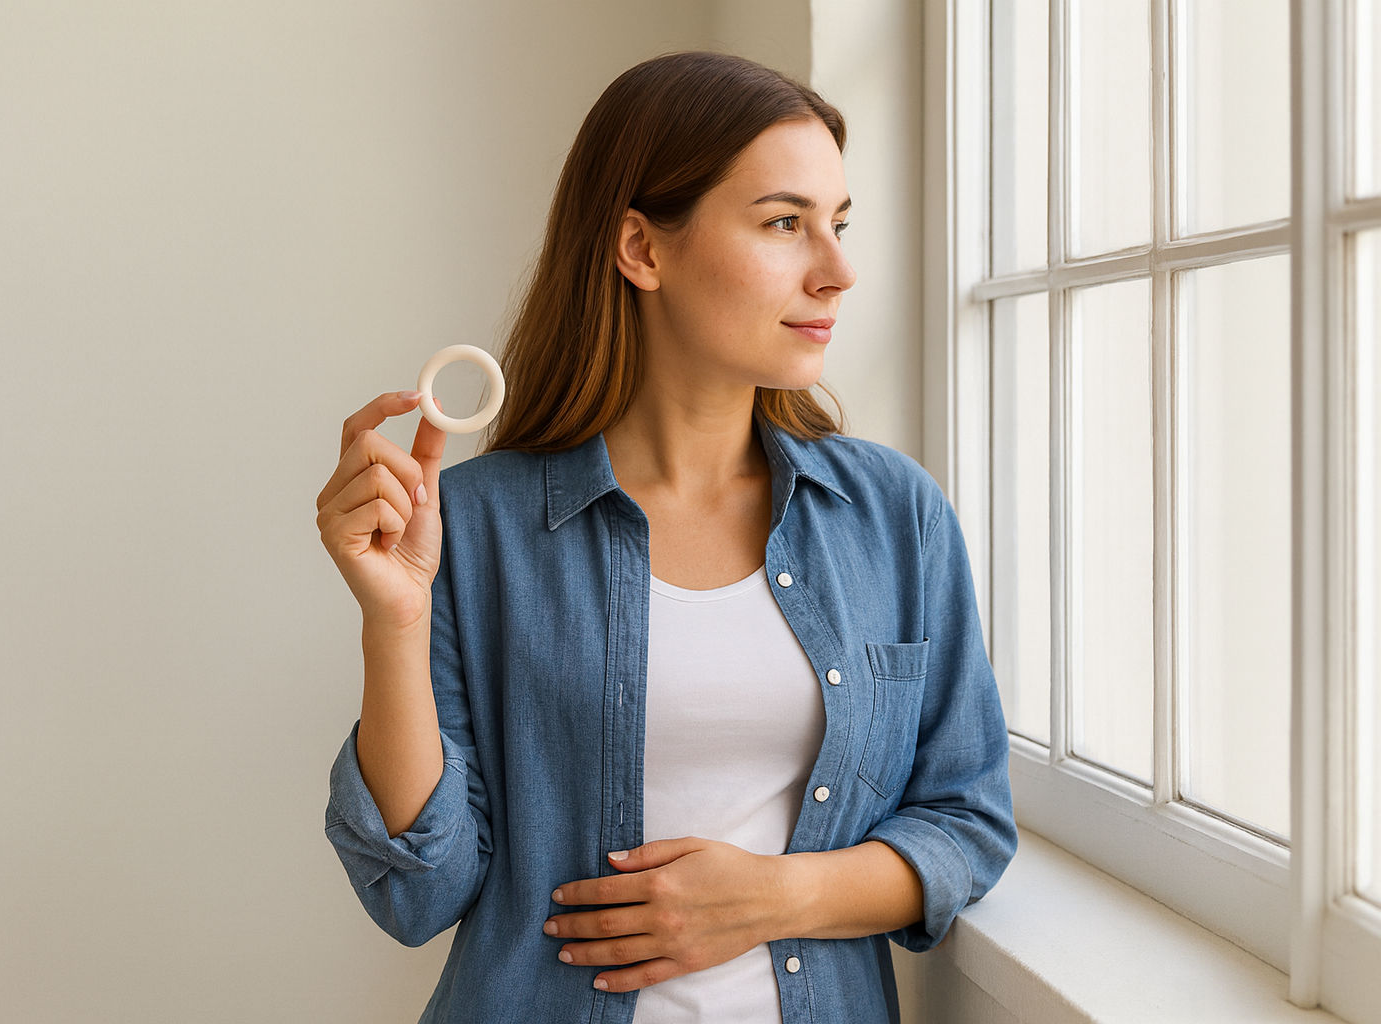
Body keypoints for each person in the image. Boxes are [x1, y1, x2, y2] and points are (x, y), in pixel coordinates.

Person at [315, 51, 1015, 1024]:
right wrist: (392, 621)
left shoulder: (894, 515)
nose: (839, 269)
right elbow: (419, 889)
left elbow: (967, 819)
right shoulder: (471, 525)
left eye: (839, 224)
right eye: (784, 222)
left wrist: (776, 896)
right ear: (642, 248)